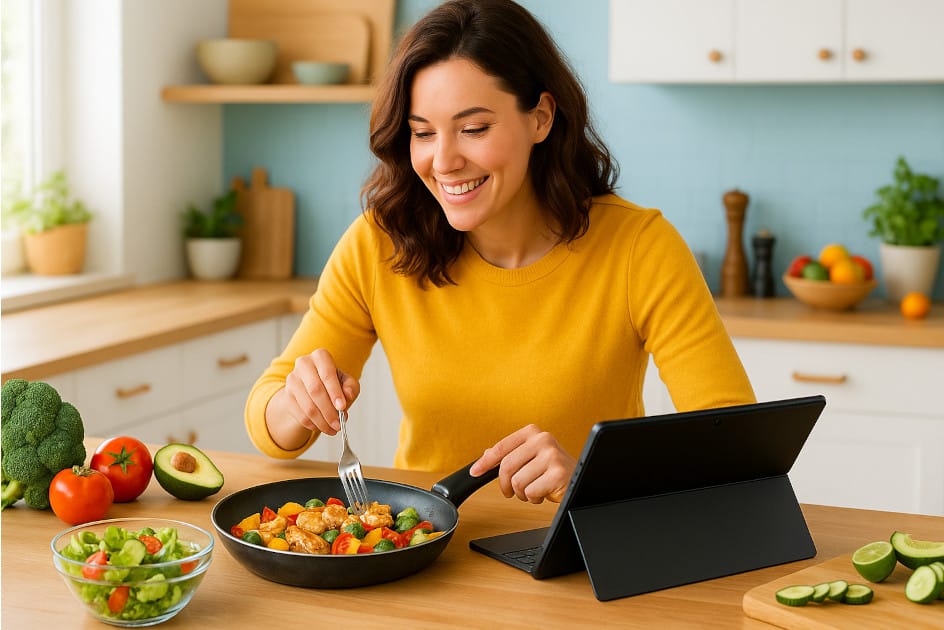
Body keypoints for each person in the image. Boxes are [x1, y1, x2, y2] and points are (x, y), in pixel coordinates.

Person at [245, 0, 755, 504]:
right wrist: (298, 403)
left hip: (580, 543)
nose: (443, 161)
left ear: (541, 118)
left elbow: (736, 450)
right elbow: (267, 420)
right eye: (423, 133)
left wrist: (587, 479)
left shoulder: (638, 247)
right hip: (426, 543)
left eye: (473, 129)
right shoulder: (380, 242)